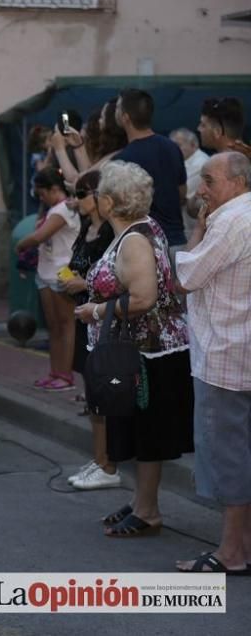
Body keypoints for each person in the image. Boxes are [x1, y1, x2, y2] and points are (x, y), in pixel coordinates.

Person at [73, 160, 192, 538]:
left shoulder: (135, 239)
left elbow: (143, 297)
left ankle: (148, 510)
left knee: (148, 433)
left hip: (149, 352)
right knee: (142, 432)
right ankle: (142, 502)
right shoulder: (142, 227)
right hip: (144, 349)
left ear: (108, 202)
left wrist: (95, 310)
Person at [175, 152, 251, 574]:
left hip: (225, 356)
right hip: (240, 351)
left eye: (209, 180)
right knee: (242, 453)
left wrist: (199, 231)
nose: (201, 189)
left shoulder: (229, 221)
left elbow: (185, 277)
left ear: (237, 182)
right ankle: (243, 547)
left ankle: (231, 554)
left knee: (229, 457)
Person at [63, 170, 119, 490]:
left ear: (99, 196)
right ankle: (99, 458)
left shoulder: (114, 231)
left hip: (103, 317)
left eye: (81, 194)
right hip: (85, 315)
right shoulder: (86, 228)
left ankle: (108, 463)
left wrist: (81, 283)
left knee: (103, 391)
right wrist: (70, 279)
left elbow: (117, 278)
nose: (76, 200)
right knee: (92, 390)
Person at [15, 167, 81, 391]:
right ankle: (55, 371)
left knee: (66, 325)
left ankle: (66, 374)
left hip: (63, 271)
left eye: (42, 193)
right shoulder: (54, 210)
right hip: (46, 271)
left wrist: (20, 244)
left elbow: (39, 237)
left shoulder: (64, 210)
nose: (40, 198)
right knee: (53, 327)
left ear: (55, 189)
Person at [113, 88, 187, 253]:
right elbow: (182, 192)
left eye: (117, 108)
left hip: (146, 247)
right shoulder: (172, 147)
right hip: (177, 242)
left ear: (125, 118)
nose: (114, 112)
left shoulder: (122, 161)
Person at [169, 127, 210, 237]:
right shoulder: (183, 161)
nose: (173, 149)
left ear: (193, 145)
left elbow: (178, 194)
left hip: (192, 227)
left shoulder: (201, 163)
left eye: (178, 145)